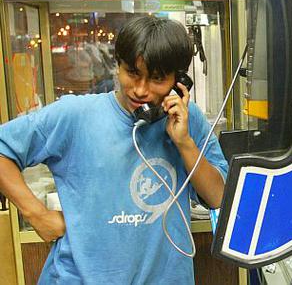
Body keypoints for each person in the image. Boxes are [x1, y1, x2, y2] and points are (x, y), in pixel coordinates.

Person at [0, 16, 228, 284]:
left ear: (178, 81)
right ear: (118, 65)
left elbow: (218, 198)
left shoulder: (188, 120)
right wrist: (36, 214)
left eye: (156, 78)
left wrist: (184, 143)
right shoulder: (75, 115)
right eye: (132, 73)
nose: (140, 90)